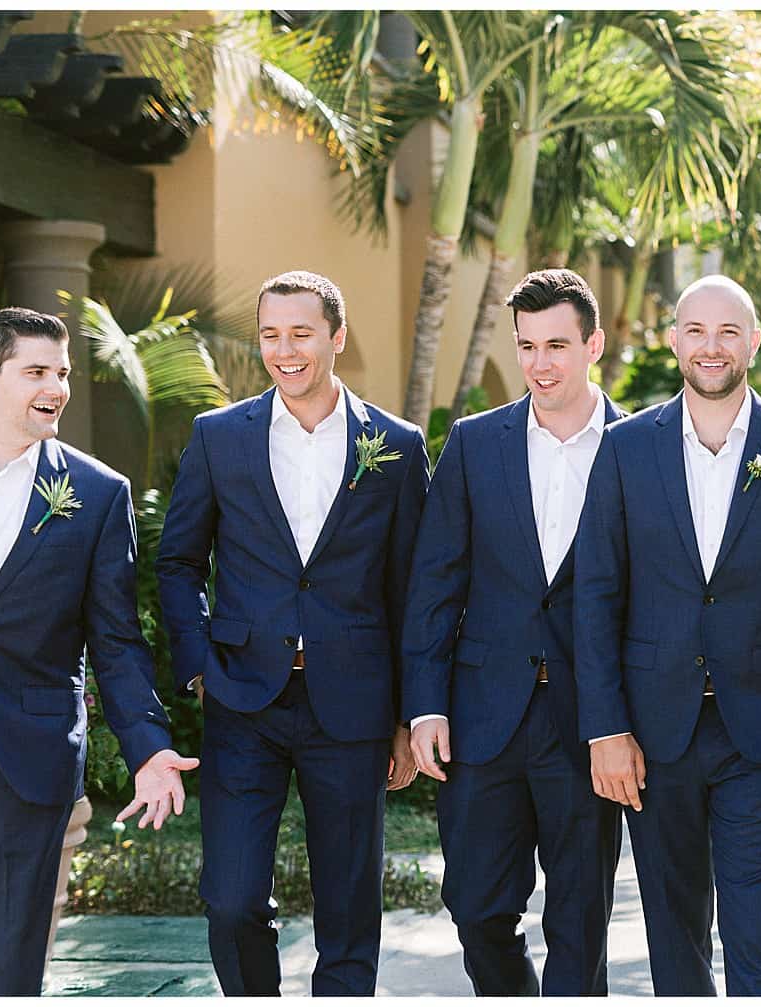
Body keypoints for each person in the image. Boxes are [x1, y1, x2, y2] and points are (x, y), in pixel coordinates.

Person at [573, 275, 761, 995]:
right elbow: (597, 595)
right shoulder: (626, 448)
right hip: (652, 734)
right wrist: (605, 728)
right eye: (696, 331)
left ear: (753, 340)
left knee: (757, 928)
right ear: (674, 340)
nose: (712, 346)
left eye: (729, 331)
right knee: (673, 930)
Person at [156, 271, 427, 995]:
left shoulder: (395, 445)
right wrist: (200, 665)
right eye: (271, 334)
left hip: (354, 704)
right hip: (243, 699)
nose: (285, 349)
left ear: (336, 337)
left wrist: (406, 712)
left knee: (349, 906)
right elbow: (178, 560)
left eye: (301, 333)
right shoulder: (219, 438)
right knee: (232, 898)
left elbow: (412, 588)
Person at [400, 269, 624, 994]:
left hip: (593, 719)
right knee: (476, 906)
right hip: (482, 715)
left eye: (557, 344)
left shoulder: (643, 444)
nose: (539, 364)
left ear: (594, 343)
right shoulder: (474, 442)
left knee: (581, 916)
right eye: (527, 346)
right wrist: (425, 704)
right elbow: (436, 582)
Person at [0, 307, 195, 995]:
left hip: (25, 756)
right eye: (36, 370)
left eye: (63, 372)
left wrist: (149, 748)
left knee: (5, 959)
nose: (57, 386)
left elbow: (116, 638)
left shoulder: (97, 495)